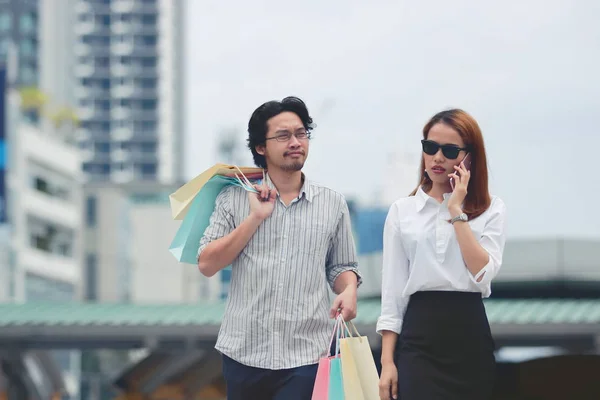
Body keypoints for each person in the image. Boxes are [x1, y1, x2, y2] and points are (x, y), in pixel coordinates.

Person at [197, 96, 362, 400]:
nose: (296, 142)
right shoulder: (233, 199)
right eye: (283, 136)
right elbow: (207, 263)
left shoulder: (332, 203)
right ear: (261, 147)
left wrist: (348, 289)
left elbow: (341, 267)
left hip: (308, 355)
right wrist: (254, 219)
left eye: (301, 134)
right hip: (244, 353)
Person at [377, 109, 507, 400]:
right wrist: (387, 362)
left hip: (469, 333)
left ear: (469, 157)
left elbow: (483, 272)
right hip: (420, 333)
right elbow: (393, 292)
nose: (437, 158)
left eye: (449, 151)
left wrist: (456, 212)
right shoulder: (402, 210)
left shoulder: (492, 209)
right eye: (430, 147)